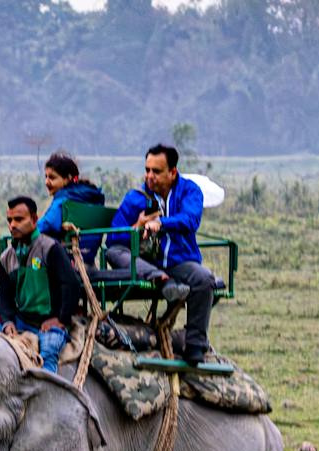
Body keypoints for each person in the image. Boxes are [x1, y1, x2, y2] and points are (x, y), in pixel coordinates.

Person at [123, 143, 218, 363]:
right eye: (147, 170)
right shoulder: (137, 196)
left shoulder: (189, 191)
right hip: (148, 262)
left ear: (172, 172)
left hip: (179, 260)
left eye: (156, 171)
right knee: (117, 255)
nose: (149, 176)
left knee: (203, 279)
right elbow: (117, 236)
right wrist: (136, 227)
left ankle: (195, 345)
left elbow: (191, 219)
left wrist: (161, 223)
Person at [0, 196, 80, 373]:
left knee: (48, 351)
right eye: (9, 220)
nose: (12, 225)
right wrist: (8, 322)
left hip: (48, 323)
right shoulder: (7, 258)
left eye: (19, 219)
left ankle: (48, 391)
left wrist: (61, 319)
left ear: (34, 220)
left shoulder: (50, 248)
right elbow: (4, 295)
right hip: (22, 321)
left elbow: (71, 284)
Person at [34, 151, 106, 260]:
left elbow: (49, 223)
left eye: (52, 178)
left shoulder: (64, 197)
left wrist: (29, 229)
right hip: (89, 256)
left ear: (68, 178)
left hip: (69, 258)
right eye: (46, 177)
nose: (46, 182)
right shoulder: (90, 196)